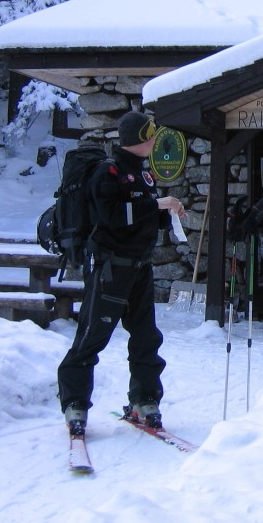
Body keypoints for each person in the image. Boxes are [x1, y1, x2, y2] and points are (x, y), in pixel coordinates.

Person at [57, 111, 186, 434]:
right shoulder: (108, 171)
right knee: (92, 337)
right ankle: (75, 404)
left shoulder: (143, 175)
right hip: (111, 268)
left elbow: (141, 216)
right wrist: (156, 206)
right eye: (151, 134)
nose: (156, 139)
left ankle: (145, 398)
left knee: (146, 337)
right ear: (140, 139)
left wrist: (166, 213)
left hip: (140, 267)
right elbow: (113, 216)